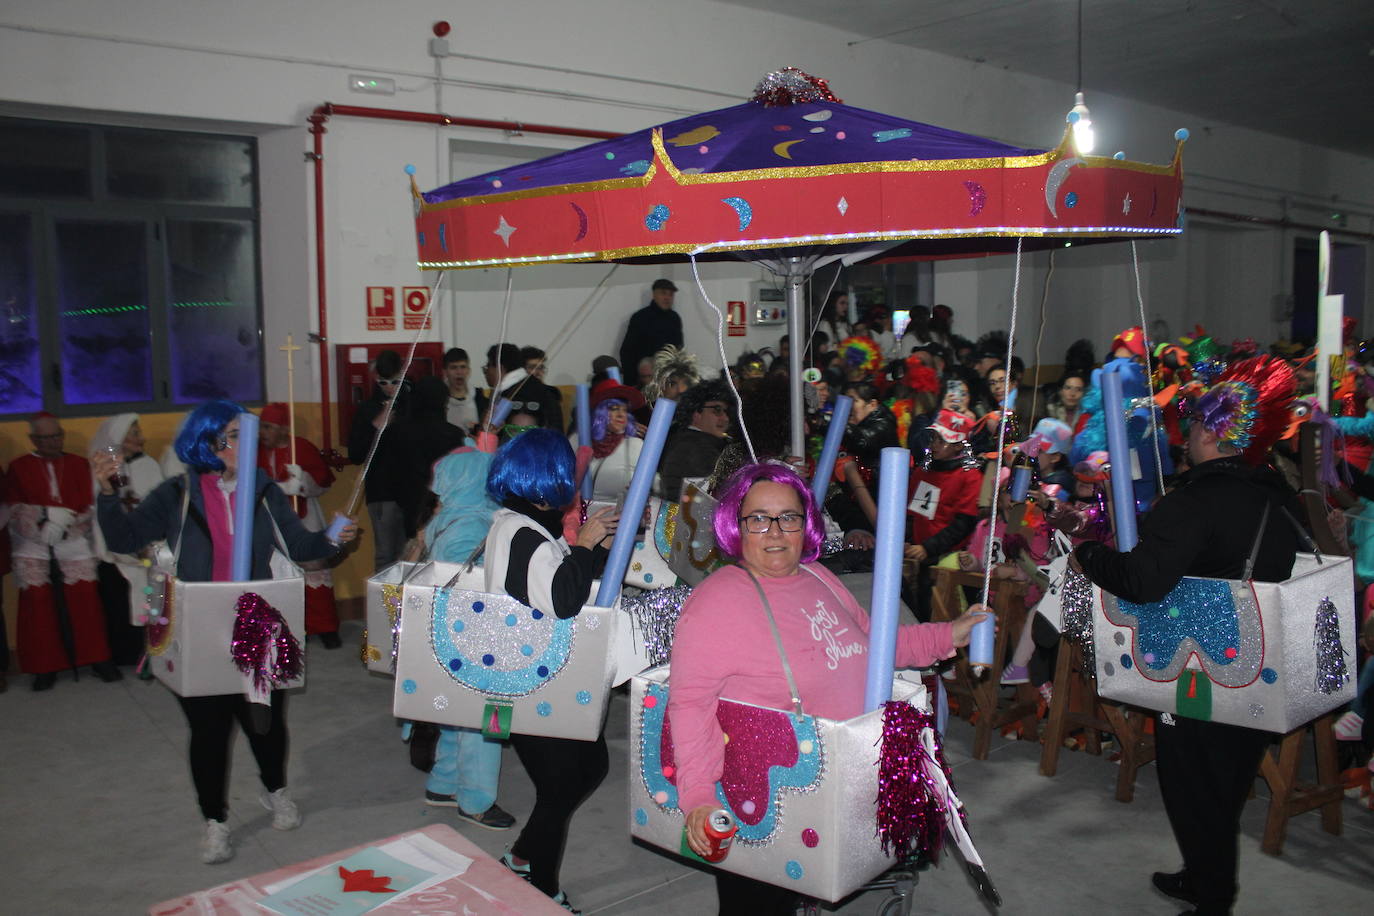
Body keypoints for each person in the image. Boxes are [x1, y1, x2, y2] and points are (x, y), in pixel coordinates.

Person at [670, 462, 990, 914]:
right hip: (768, 797)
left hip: (843, 776)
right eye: (758, 518)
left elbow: (876, 643)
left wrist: (947, 635)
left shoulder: (819, 577)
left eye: (789, 517)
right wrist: (699, 795)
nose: (775, 531)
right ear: (735, 526)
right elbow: (689, 705)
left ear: (807, 524)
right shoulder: (715, 604)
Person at [1072, 356, 1300, 916]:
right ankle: (1205, 877)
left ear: (1204, 432)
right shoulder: (1277, 494)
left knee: (1191, 785)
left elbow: (1143, 581)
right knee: (1224, 786)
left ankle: (1214, 896)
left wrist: (1088, 554)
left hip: (1195, 667)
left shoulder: (1192, 503)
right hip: (1260, 660)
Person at [95, 399, 358, 864]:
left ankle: (275, 789)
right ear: (210, 444)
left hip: (256, 617)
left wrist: (334, 539)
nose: (245, 442)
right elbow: (123, 541)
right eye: (235, 435)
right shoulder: (174, 495)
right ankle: (214, 819)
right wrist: (108, 495)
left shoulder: (263, 490)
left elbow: (302, 547)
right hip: (196, 621)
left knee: (266, 721)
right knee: (210, 729)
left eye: (245, 433)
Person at [483, 428, 618, 913]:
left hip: (535, 680)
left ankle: (522, 857)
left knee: (586, 768)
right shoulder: (524, 536)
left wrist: (592, 544)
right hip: (532, 684)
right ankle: (542, 887)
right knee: (561, 787)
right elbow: (562, 600)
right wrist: (584, 545)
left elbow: (559, 584)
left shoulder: (514, 526)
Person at [420, 447, 516, 831]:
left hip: (449, 638)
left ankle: (443, 783)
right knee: (485, 720)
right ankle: (476, 800)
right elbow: (466, 585)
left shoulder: (450, 517)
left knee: (455, 713)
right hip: (475, 638)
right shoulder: (472, 526)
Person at [6, 412, 120, 691]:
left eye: (56, 436)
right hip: (34, 546)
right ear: (33, 439)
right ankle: (45, 667)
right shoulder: (19, 467)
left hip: (73, 544)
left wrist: (68, 525)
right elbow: (13, 507)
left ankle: (97, 659)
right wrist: (44, 518)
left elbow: (91, 505)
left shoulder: (80, 464)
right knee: (39, 607)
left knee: (85, 604)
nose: (52, 442)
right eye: (44, 438)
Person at [258, 402, 342, 648]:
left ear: (284, 429)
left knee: (315, 569)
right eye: (262, 427)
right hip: (270, 521)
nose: (263, 433)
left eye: (268, 427)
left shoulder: (301, 448)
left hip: (304, 518)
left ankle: (326, 627)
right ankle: (293, 626)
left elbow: (324, 483)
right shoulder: (255, 451)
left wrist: (303, 481)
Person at [89, 413, 165, 667]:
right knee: (117, 606)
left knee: (154, 603)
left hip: (147, 551)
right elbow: (98, 513)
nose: (141, 439)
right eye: (134, 434)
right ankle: (124, 656)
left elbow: (160, 509)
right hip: (115, 555)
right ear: (118, 438)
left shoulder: (150, 466)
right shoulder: (101, 469)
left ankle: (155, 652)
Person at [347, 349, 411, 571]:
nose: (390, 388)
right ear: (376, 380)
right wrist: (376, 426)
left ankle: (406, 603)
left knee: (409, 553)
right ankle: (384, 605)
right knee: (386, 554)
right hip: (381, 492)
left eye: (395, 382)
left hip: (410, 491)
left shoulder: (410, 406)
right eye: (384, 383)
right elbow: (355, 454)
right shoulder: (367, 409)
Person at [657, 379, 733, 501]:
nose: (725, 418)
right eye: (717, 410)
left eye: (726, 411)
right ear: (696, 414)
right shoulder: (694, 449)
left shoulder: (686, 440)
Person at [477, 342, 564, 433]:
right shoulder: (543, 390)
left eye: (488, 367)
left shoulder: (513, 395)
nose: (486, 372)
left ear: (500, 368)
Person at [583, 380, 646, 502]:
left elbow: (654, 485)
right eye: (614, 408)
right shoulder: (580, 441)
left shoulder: (636, 445)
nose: (621, 415)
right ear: (600, 412)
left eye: (625, 410)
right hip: (582, 517)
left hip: (620, 517)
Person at [619, 279, 683, 376]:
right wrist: (633, 380)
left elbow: (678, 349)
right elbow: (627, 352)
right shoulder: (640, 318)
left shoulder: (675, 318)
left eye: (670, 294)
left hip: (668, 377)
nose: (667, 298)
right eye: (663, 293)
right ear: (654, 295)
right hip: (644, 377)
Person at [442, 347, 479, 431]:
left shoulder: (479, 397)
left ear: (469, 371)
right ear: (445, 372)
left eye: (463, 367)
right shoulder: (438, 400)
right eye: (453, 368)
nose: (459, 372)